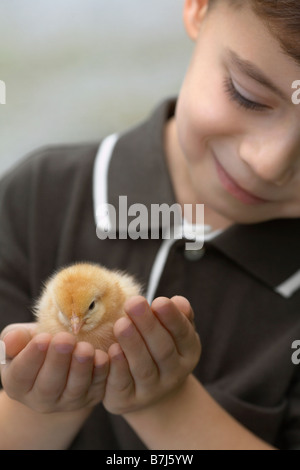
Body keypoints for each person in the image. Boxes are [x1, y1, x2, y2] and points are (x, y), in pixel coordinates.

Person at [0, 0, 300, 450]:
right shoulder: (36, 199)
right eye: (247, 94)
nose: (268, 164)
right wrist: (42, 406)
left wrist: (166, 403)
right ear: (198, 8)